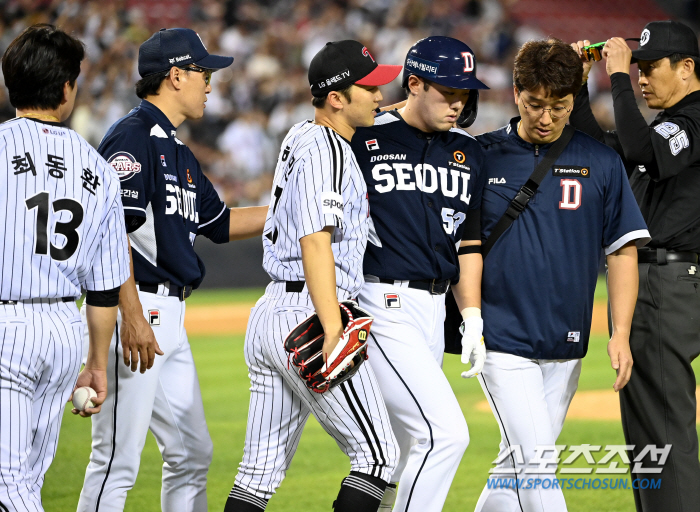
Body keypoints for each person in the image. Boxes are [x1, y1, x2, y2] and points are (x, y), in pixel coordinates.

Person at [76, 28, 267, 512]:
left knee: (191, 452)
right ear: (175, 76)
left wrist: (295, 203)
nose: (210, 83)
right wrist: (133, 314)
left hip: (169, 317)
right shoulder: (133, 135)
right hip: (136, 308)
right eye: (204, 73)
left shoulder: (177, 149)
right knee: (116, 460)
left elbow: (222, 224)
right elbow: (109, 232)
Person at [473, 38, 650, 512]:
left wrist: (621, 332)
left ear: (576, 99)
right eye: (535, 104)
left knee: (514, 467)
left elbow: (623, 251)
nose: (546, 117)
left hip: (567, 344)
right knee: (538, 465)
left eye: (559, 105)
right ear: (515, 93)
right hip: (502, 338)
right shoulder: (480, 156)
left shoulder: (603, 161)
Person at [224, 40, 402, 512]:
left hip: (272, 313)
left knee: (257, 474)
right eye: (370, 87)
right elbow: (315, 241)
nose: (381, 94)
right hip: (309, 312)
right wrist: (331, 326)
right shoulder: (330, 151)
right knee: (378, 459)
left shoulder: (304, 134)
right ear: (338, 98)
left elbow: (377, 112)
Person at [349, 36, 488, 512]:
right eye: (449, 92)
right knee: (445, 434)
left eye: (465, 93)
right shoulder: (364, 138)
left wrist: (471, 317)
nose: (459, 103)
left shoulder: (469, 154)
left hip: (434, 309)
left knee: (410, 447)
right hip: (379, 302)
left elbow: (469, 244)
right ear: (414, 83)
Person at [570, 20, 700, 512]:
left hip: (665, 280)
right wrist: (585, 88)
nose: (642, 78)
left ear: (686, 68)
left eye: (651, 68)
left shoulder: (694, 118)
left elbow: (643, 147)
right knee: (653, 434)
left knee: (661, 437)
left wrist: (617, 76)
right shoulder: (671, 125)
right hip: (662, 279)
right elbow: (606, 152)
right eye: (637, 69)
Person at [0, 24, 130, 511]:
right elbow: (103, 289)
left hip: (7, 328)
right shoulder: (98, 168)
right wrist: (96, 364)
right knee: (25, 482)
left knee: (8, 485)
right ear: (66, 89)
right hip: (63, 329)